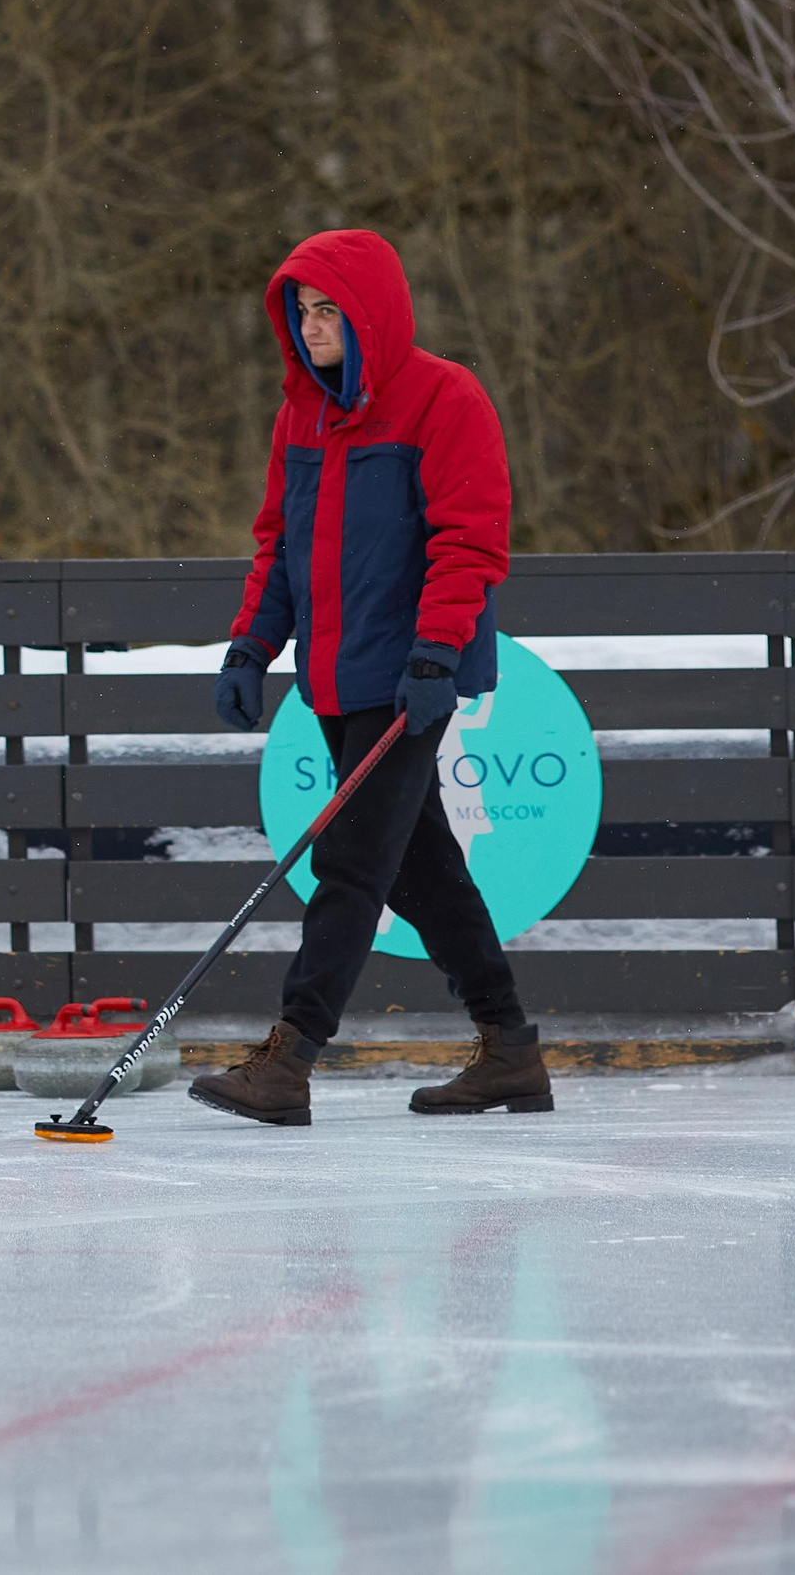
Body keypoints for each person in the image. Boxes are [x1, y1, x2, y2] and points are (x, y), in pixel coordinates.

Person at [196, 229, 551, 1126]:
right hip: (335, 677)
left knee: (349, 862)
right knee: (421, 870)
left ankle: (290, 1059)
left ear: (370, 315)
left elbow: (470, 539)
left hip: (408, 682)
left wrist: (435, 653)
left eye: (328, 311)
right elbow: (278, 546)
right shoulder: (300, 418)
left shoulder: (443, 398)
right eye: (302, 313)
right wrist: (249, 646)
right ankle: (509, 1047)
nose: (312, 328)